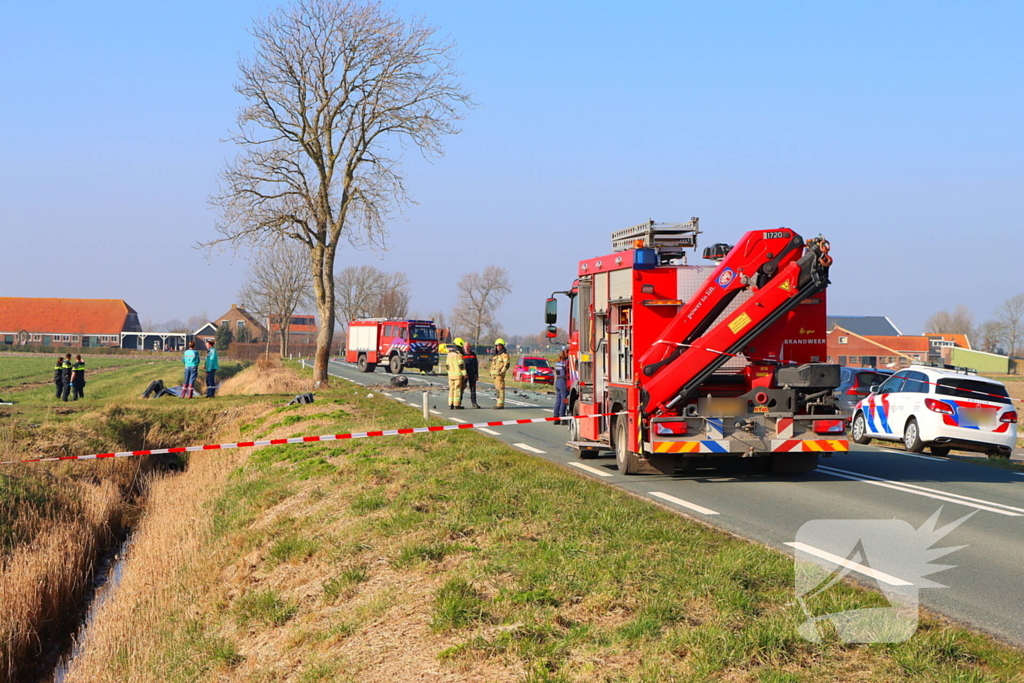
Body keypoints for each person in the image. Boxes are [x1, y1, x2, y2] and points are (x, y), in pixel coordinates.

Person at [446, 337, 467, 409]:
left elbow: (447, 366)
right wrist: (465, 374)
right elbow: (461, 366)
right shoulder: (459, 355)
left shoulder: (449, 354)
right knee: (457, 390)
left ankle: (450, 404)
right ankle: (456, 404)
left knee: (451, 389)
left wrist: (449, 373)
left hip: (450, 375)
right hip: (458, 376)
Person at [490, 339, 511, 409]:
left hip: (499, 376)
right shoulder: (496, 355)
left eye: (500, 346)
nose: (498, 347)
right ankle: (498, 403)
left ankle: (500, 405)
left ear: (503, 346)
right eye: (497, 346)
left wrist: (502, 372)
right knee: (497, 390)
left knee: (500, 389)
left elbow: (507, 364)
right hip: (495, 376)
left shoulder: (504, 355)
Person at [460, 342, 480, 409]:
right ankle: (458, 403)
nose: (467, 348)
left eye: (468, 346)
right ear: (463, 347)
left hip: (472, 374)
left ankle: (474, 403)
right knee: (462, 388)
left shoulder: (473, 354)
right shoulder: (462, 354)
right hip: (464, 374)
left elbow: (476, 365)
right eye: (465, 347)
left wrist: (477, 375)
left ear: (470, 347)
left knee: (473, 389)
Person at [554, 349, 569, 422]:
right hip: (563, 382)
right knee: (564, 400)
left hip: (557, 382)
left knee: (558, 401)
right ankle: (562, 417)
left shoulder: (558, 363)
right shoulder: (566, 362)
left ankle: (556, 418)